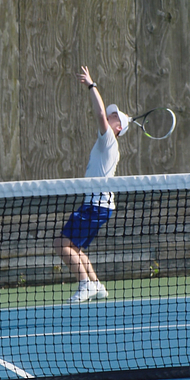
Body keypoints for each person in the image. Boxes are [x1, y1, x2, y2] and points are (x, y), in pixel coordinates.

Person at [54, 65, 129, 303]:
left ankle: (85, 284)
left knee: (61, 244)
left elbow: (99, 114)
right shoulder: (106, 143)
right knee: (75, 247)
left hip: (97, 206)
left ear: (118, 128)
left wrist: (91, 85)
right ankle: (96, 284)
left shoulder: (109, 140)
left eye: (114, 116)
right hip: (98, 205)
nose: (110, 115)